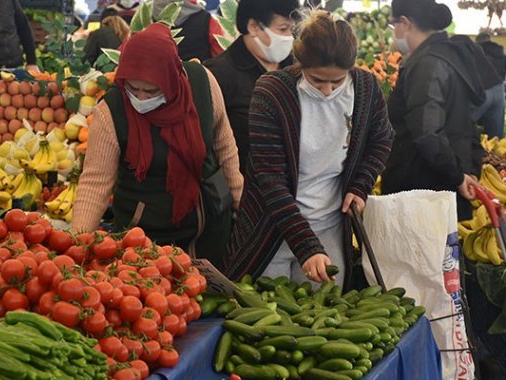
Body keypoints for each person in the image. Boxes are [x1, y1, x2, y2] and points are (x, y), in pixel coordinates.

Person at [226, 10, 394, 287]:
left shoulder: (366, 88)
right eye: (317, 80)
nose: (327, 90)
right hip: (271, 227)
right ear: (300, 64)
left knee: (323, 313)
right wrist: (306, 247)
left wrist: (361, 184)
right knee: (266, 315)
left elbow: (382, 140)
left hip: (328, 224)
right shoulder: (271, 93)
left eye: (337, 82)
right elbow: (270, 179)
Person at [72, 23, 243, 263]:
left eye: (151, 91)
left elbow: (224, 144)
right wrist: (76, 246)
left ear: (171, 78)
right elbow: (94, 183)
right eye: (133, 88)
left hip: (209, 229)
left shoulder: (203, 83)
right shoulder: (111, 111)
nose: (140, 98)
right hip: (144, 242)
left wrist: (239, 200)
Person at [380, 0, 484, 222]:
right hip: (442, 186)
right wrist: (467, 170)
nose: (393, 33)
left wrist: (458, 176)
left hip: (421, 190)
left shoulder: (427, 65)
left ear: (405, 23)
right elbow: (467, 124)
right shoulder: (450, 55)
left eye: (392, 25)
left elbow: (427, 133)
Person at [204, 0, 299, 174]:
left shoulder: (296, 68)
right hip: (244, 187)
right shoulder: (219, 75)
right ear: (254, 26)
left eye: (292, 30)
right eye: (283, 29)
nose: (289, 38)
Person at [152, 0, 224, 62]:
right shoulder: (208, 21)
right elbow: (220, 59)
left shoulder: (145, 16)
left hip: (155, 76)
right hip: (197, 75)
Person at [474, 32, 506, 138]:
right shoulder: (501, 52)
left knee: (461, 126)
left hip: (482, 90)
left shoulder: (476, 51)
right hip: (499, 91)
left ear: (477, 41)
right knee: (496, 138)